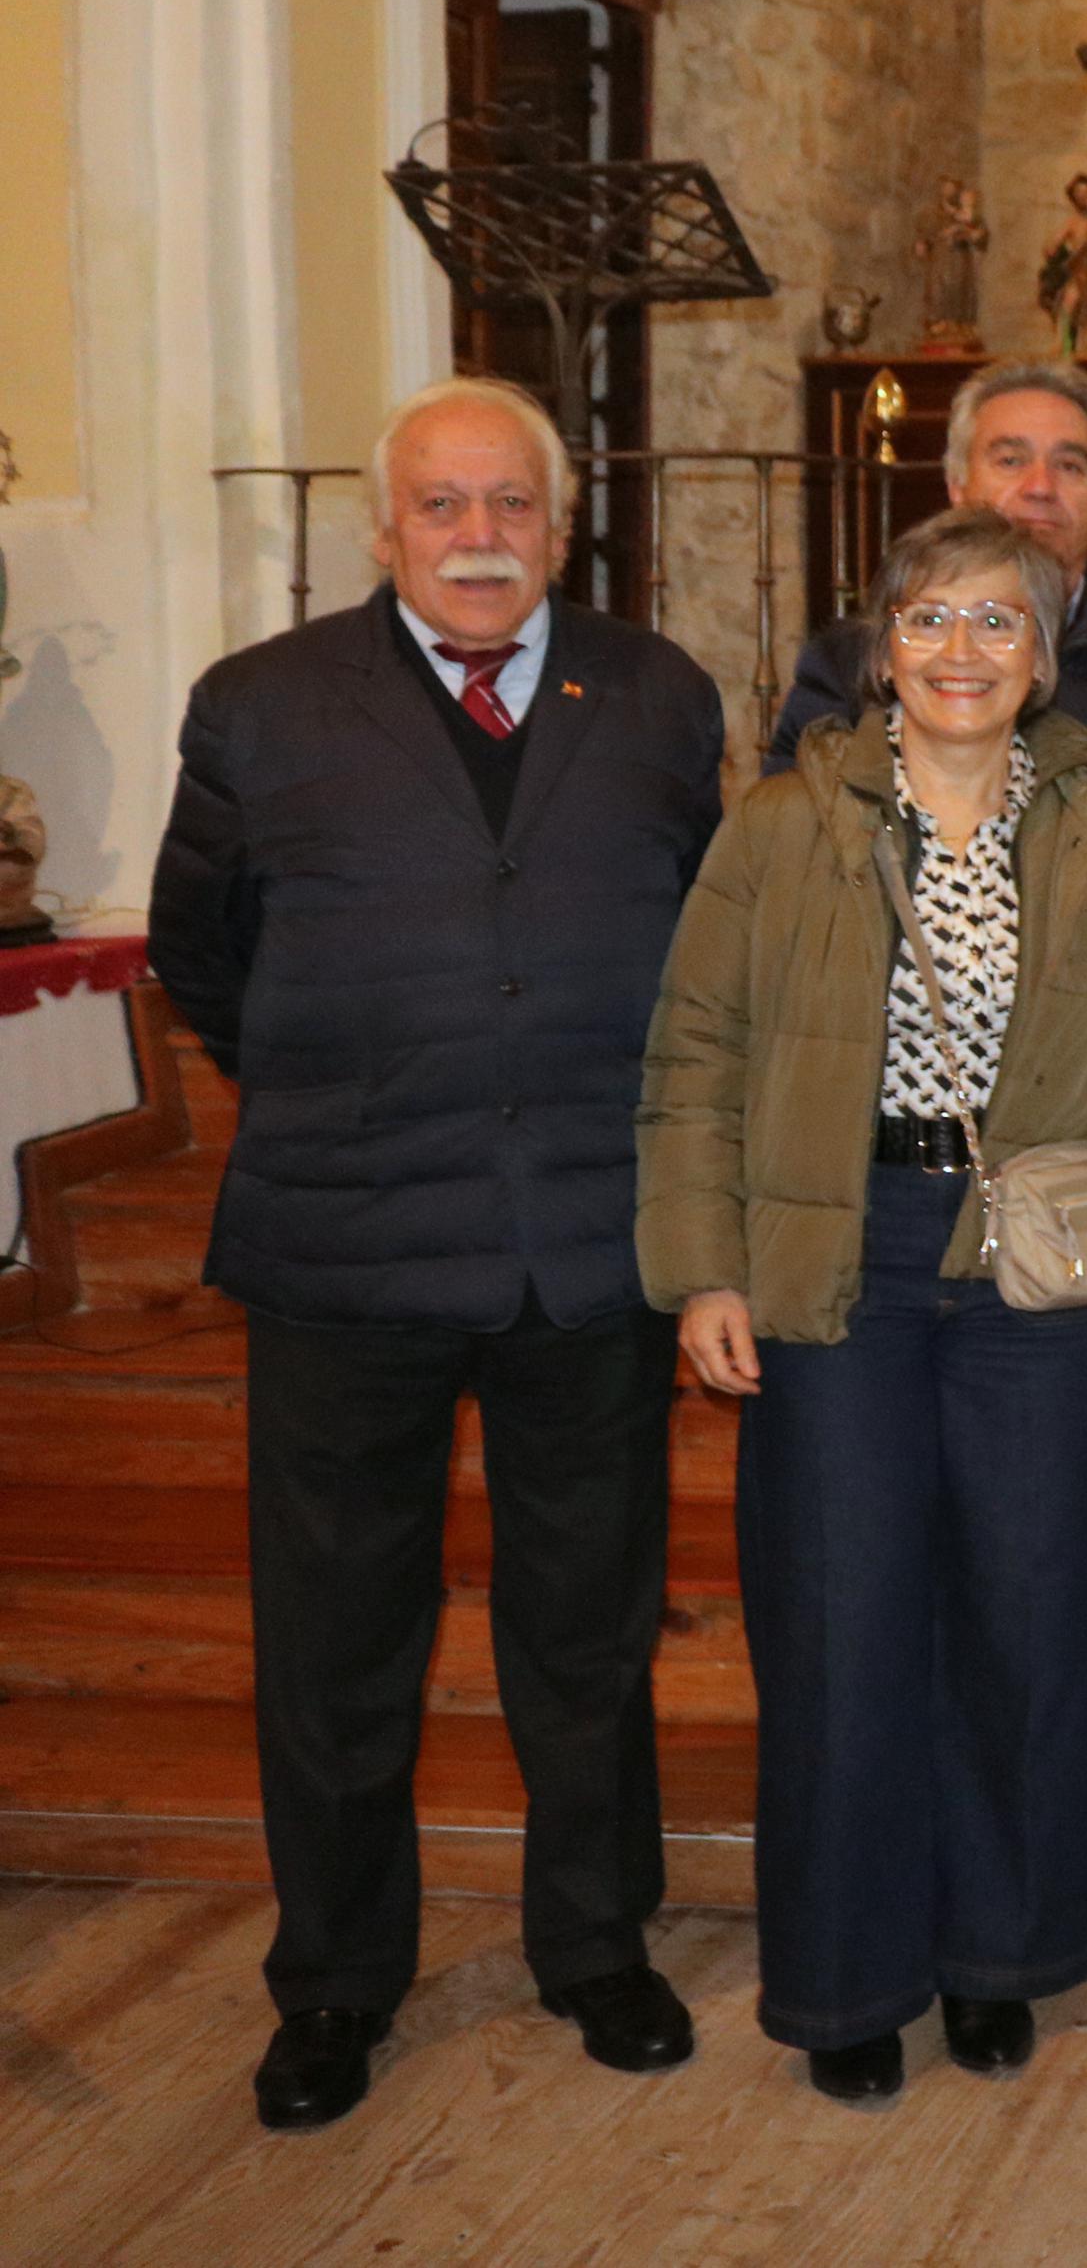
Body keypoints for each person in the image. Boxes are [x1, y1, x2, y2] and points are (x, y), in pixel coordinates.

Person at [150, 378, 725, 2132]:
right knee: (337, 1641)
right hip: (347, 1250)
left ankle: (594, 1946)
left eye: (512, 507)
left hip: (583, 1247)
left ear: (562, 525)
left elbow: (706, 946)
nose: (480, 537)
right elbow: (205, 958)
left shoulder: (656, 694)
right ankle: (333, 1983)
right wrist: (365, 1082)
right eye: (442, 506)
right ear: (385, 528)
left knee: (586, 1629)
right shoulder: (259, 703)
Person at [640, 507, 1087, 2105]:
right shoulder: (787, 820)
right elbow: (695, 1049)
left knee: (1022, 1613)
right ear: (879, 645)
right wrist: (703, 1263)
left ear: (1043, 652)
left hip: (1021, 1258)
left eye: (998, 622)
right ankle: (848, 1974)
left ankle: (999, 1954)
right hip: (831, 1244)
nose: (961, 653)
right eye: (930, 620)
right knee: (842, 1623)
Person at [761, 359, 1087, 1808]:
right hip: (894, 1157)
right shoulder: (855, 662)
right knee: (892, 1535)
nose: (1037, 484)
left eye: (1069, 462)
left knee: (1080, 1480)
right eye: (1007, 456)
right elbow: (792, 917)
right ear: (955, 483)